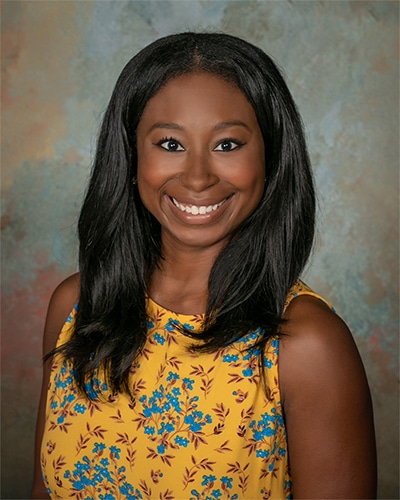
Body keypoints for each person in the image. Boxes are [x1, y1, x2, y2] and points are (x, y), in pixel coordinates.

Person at [31, 32, 376, 499]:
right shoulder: (77, 307)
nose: (197, 177)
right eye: (170, 144)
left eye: (227, 145)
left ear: (271, 157)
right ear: (131, 155)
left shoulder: (307, 347)